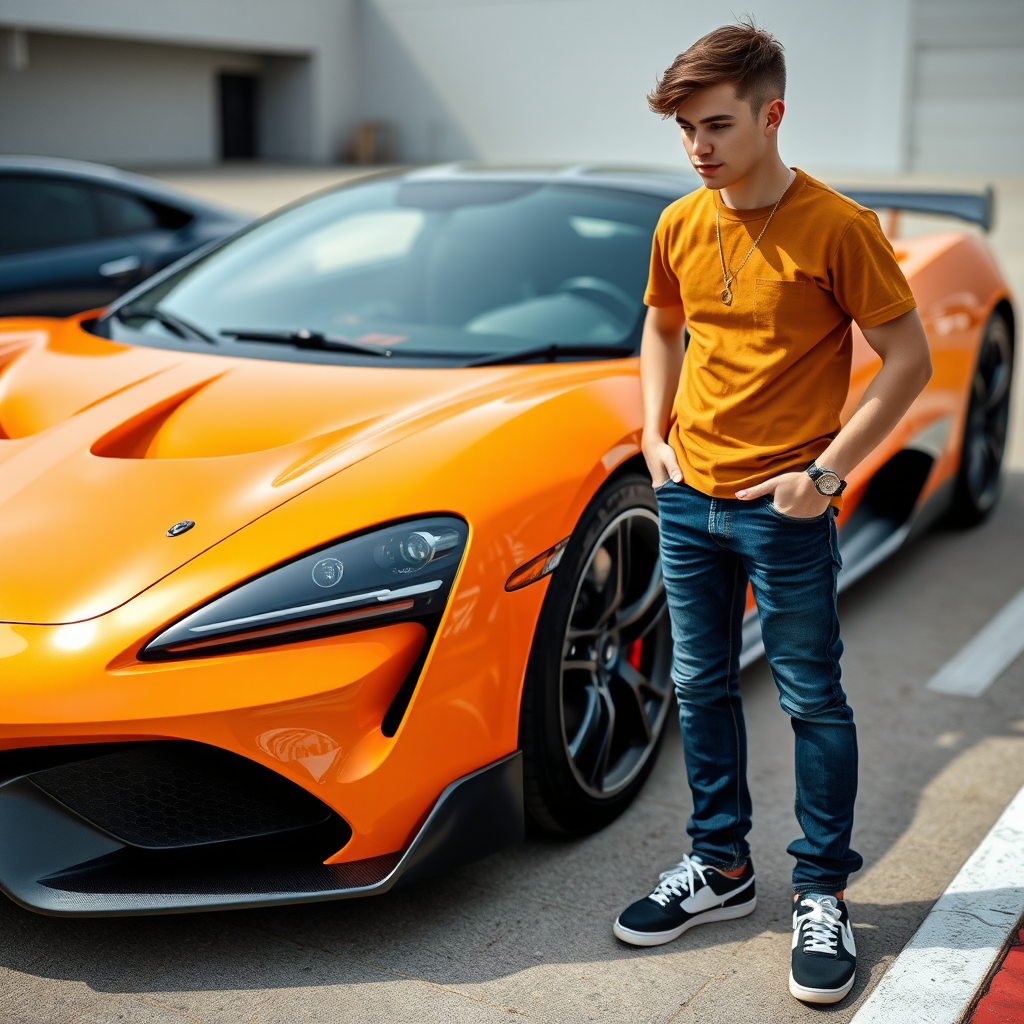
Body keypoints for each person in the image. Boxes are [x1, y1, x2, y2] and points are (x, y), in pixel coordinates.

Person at [612, 20, 932, 1006]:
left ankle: (823, 888)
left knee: (808, 697)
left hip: (784, 507)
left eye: (715, 125)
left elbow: (907, 358)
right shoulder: (680, 220)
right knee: (700, 685)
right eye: (683, 130)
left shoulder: (836, 226)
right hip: (685, 494)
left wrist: (826, 476)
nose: (697, 147)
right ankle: (719, 866)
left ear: (771, 115)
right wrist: (653, 430)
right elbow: (663, 322)